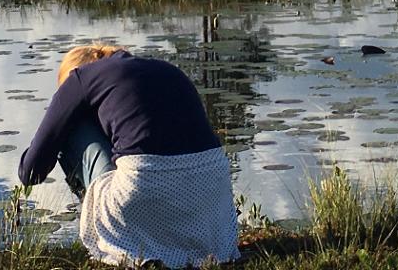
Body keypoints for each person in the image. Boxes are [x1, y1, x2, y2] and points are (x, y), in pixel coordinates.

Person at [18, 45, 241, 267]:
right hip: (213, 198)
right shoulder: (168, 69)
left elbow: (31, 173)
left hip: (142, 189)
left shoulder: (79, 79)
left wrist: (56, 135)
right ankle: (171, 245)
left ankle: (107, 231)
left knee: (71, 127)